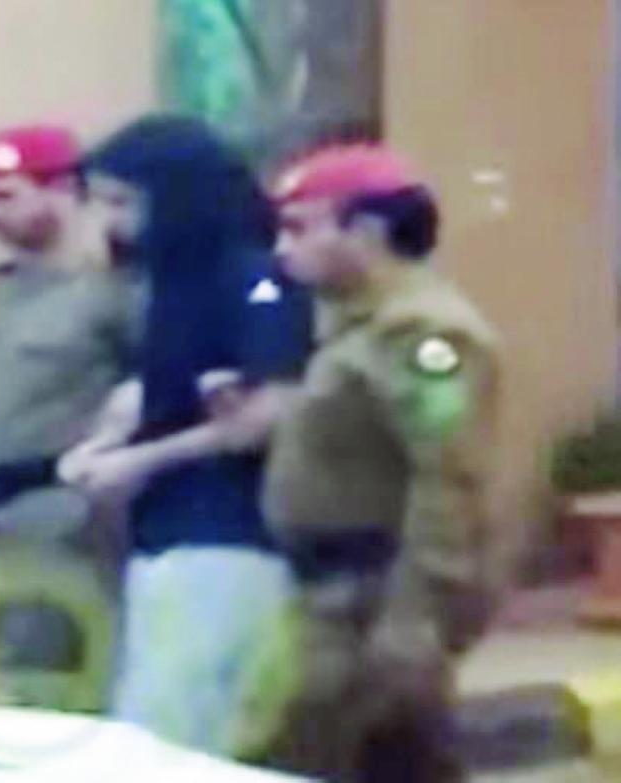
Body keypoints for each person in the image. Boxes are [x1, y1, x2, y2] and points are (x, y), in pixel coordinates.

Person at [60, 115, 313, 755]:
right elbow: (161, 388)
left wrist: (141, 460)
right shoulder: (174, 283)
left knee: (172, 736)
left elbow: (268, 411)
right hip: (165, 533)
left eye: (123, 202)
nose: (112, 222)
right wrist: (106, 443)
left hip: (227, 536)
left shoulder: (255, 276)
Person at [261, 143, 502, 782]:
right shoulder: (359, 328)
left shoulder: (427, 337)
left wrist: (417, 620)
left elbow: (450, 477)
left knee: (366, 756)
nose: (282, 250)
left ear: (365, 230)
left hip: (375, 593)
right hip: (334, 595)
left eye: (299, 228)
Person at [0, 125, 143, 708]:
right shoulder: (6, 290)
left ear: (63, 191)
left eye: (6, 197)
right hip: (2, 518)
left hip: (71, 523)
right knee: (15, 691)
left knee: (63, 698)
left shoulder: (113, 293)